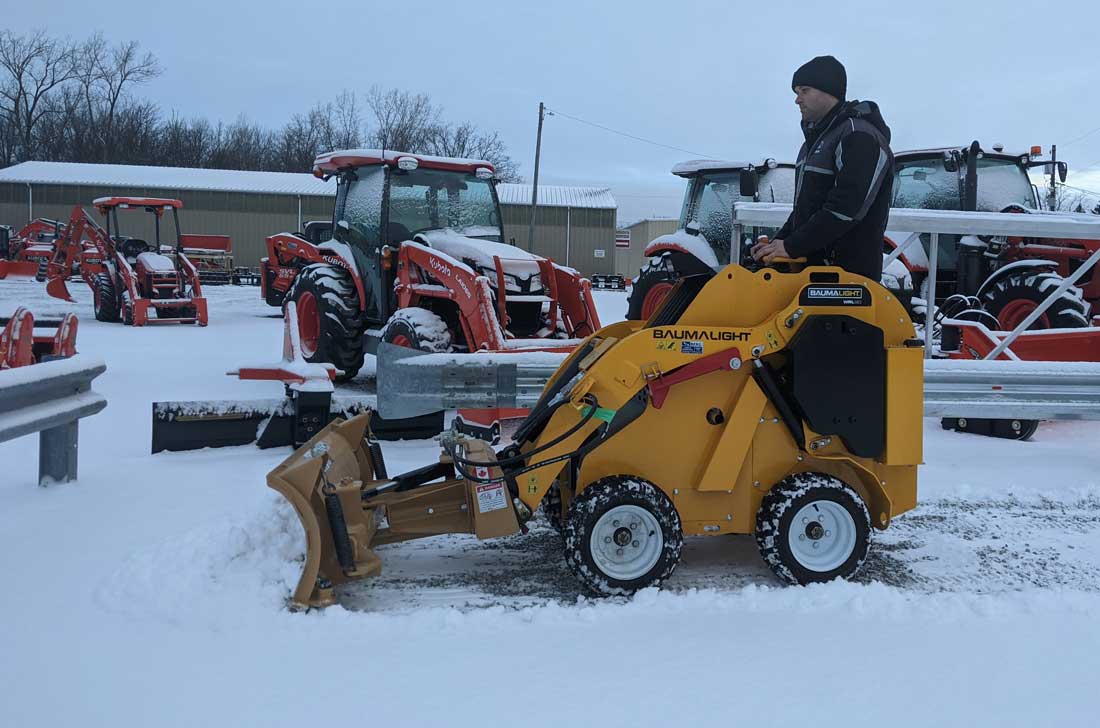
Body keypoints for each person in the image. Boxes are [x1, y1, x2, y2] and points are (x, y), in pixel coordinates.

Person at [752, 55, 894, 280]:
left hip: (847, 276)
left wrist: (791, 246)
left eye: (804, 90)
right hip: (812, 272)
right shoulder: (814, 143)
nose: (797, 100)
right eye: (796, 92)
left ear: (829, 91)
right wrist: (777, 244)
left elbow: (846, 208)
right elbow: (805, 211)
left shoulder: (859, 135)